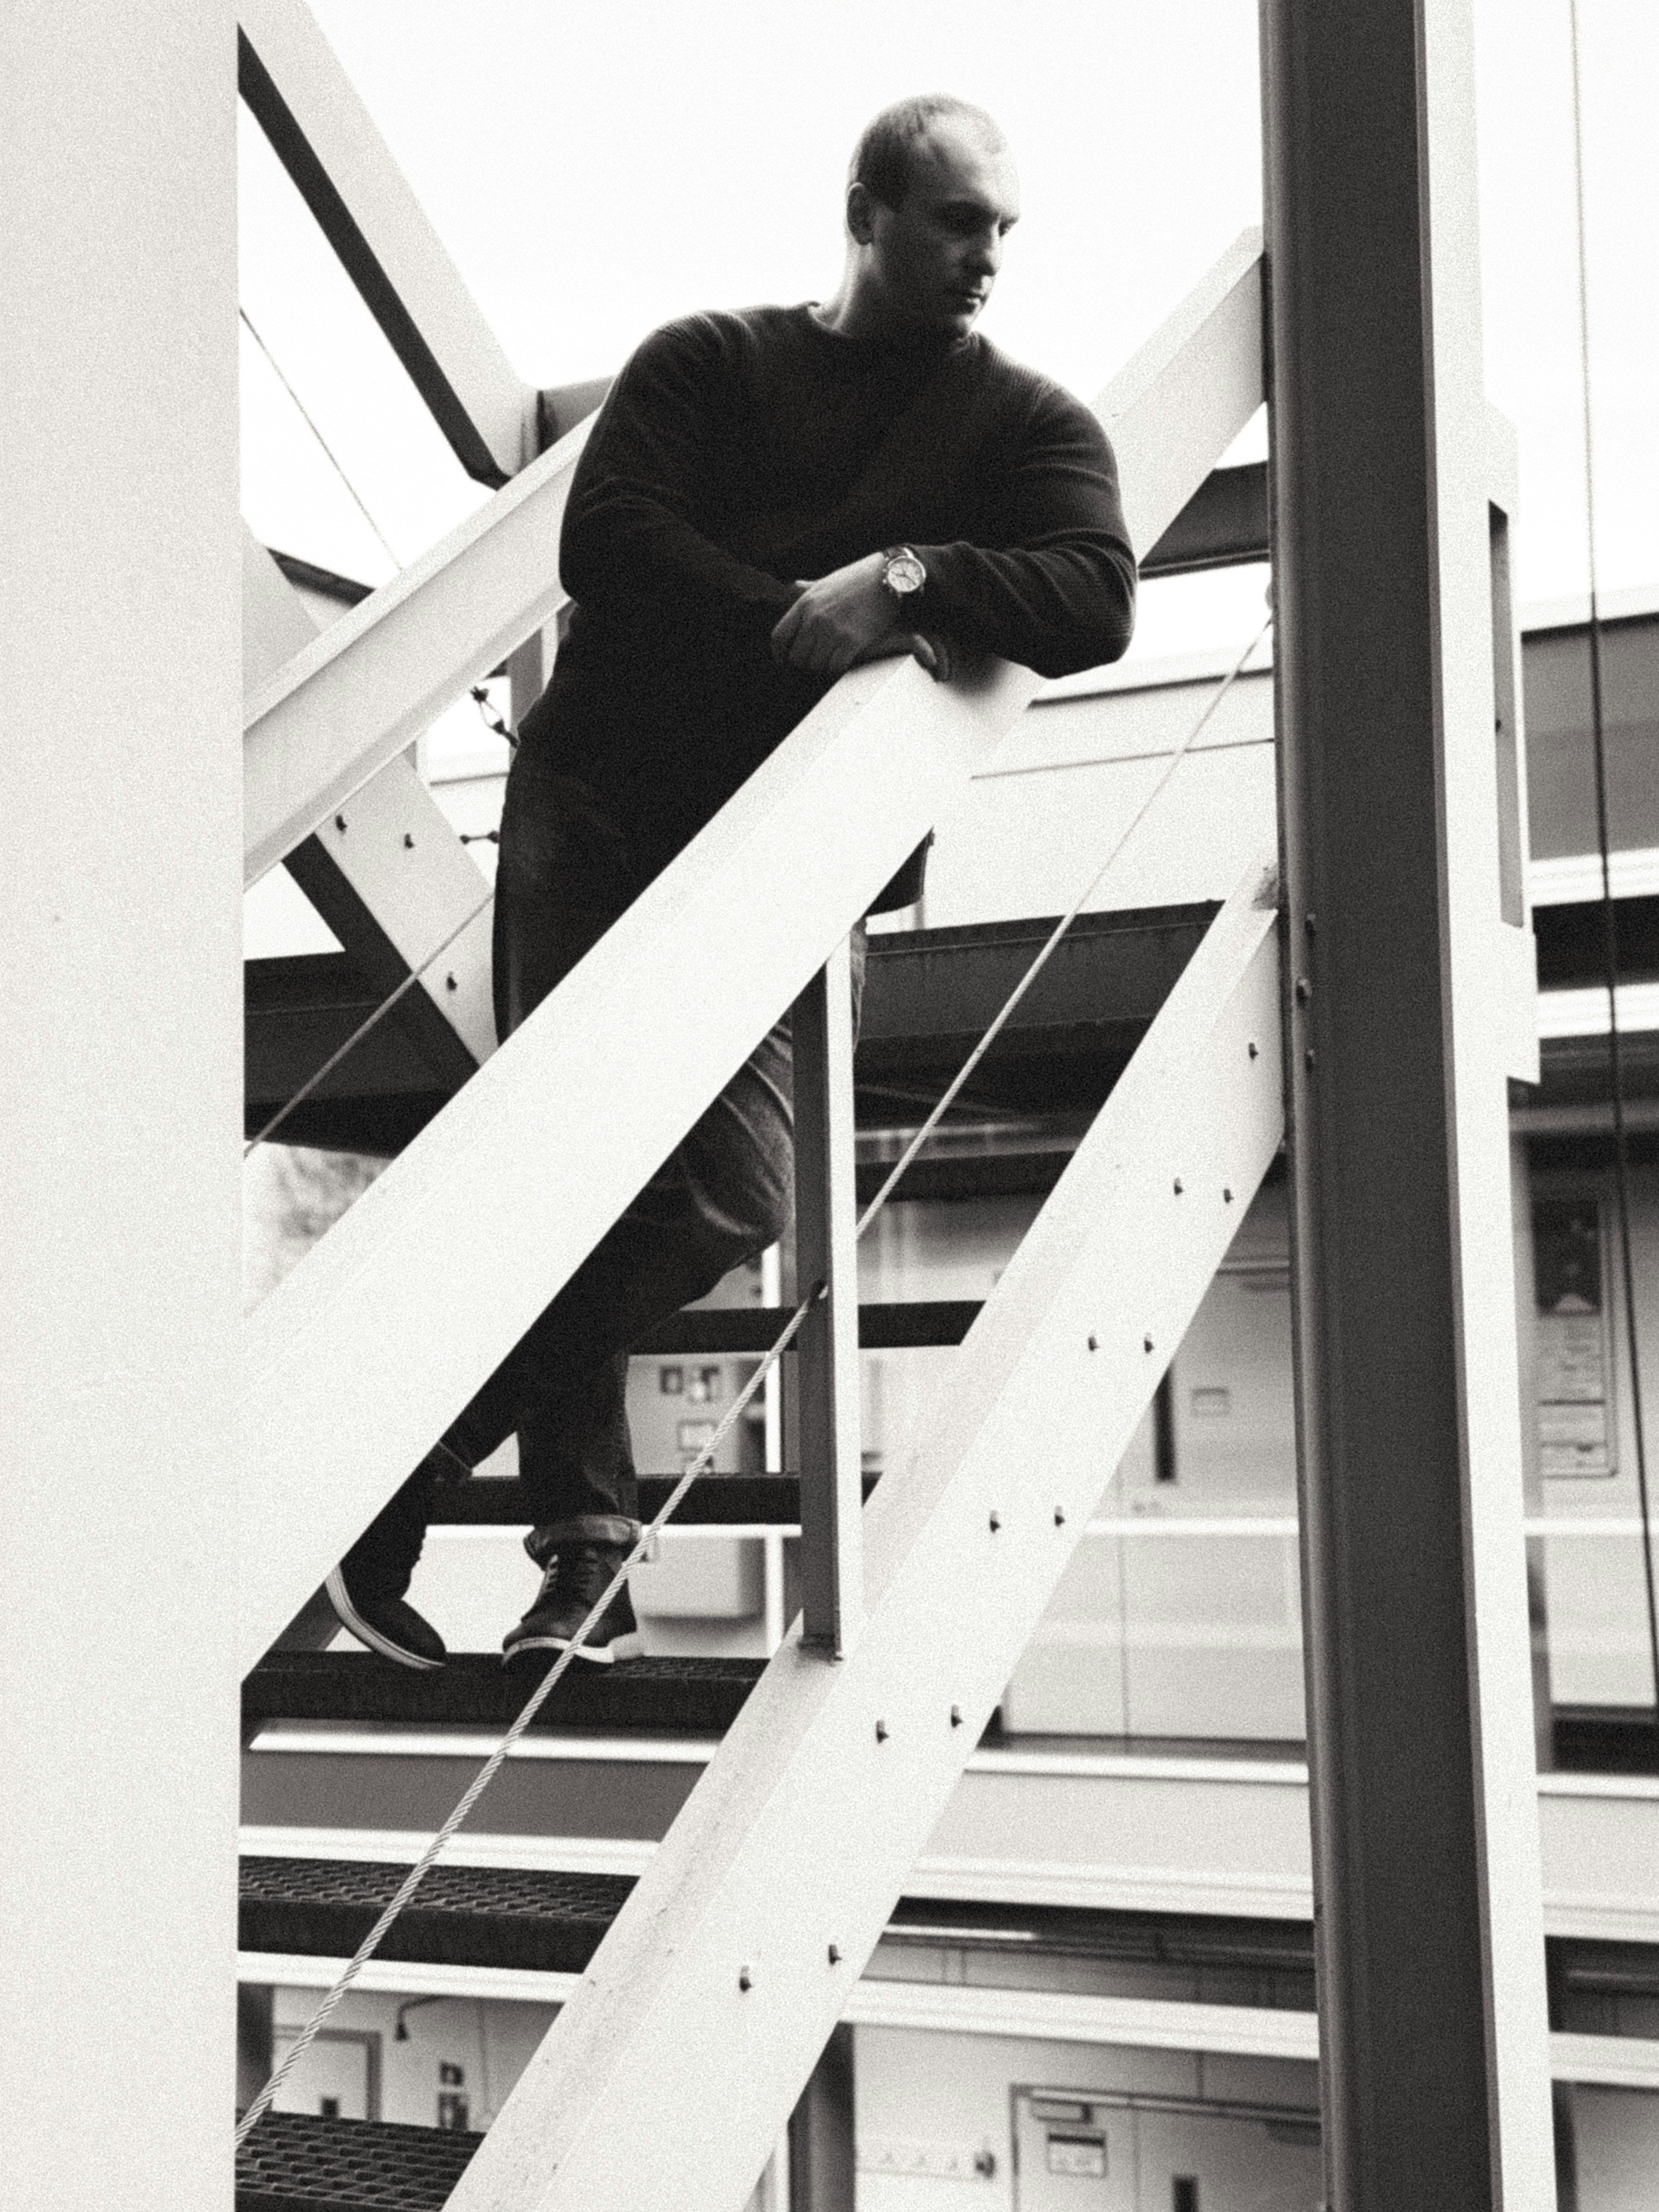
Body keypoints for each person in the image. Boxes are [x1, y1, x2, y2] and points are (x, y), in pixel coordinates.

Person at [324, 93, 1137, 1672]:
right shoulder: (708, 359)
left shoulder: (1027, 424)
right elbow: (609, 540)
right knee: (571, 1170)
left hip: (778, 852)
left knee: (726, 1192)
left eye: (1005, 230)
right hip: (600, 803)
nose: (991, 258)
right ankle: (586, 1564)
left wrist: (907, 579)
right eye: (963, 222)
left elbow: (1096, 594)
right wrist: (797, 626)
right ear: (872, 211)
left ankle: (405, 1462)